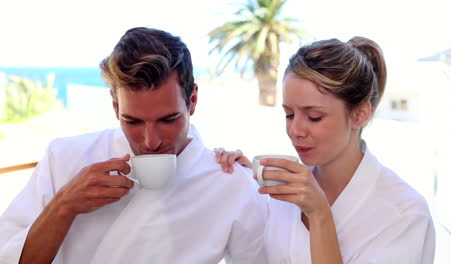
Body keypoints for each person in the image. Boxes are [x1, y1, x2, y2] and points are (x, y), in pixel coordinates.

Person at [0, 27, 268, 264]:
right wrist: (65, 206)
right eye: (133, 121)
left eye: (168, 119)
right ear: (115, 106)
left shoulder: (230, 183)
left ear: (193, 100)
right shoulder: (64, 158)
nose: (151, 141)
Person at [216, 37, 435, 263]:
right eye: (289, 114)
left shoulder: (404, 215)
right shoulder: (283, 194)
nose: (295, 130)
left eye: (314, 117)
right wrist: (240, 181)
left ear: (359, 114)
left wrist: (319, 214)